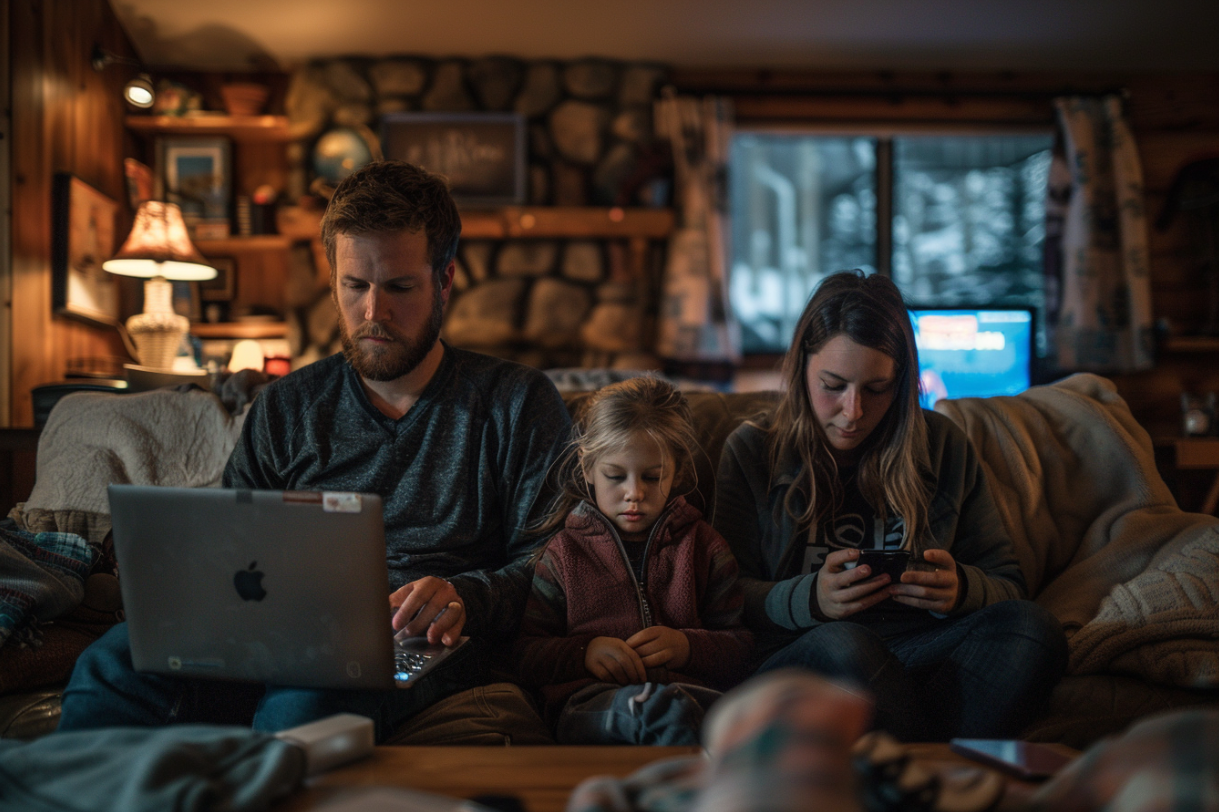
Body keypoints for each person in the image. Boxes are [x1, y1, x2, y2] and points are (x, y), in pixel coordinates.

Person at [58, 161, 573, 743]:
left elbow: (557, 563)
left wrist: (466, 596)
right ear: (333, 280)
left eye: (400, 287)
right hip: (275, 625)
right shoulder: (286, 406)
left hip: (421, 641)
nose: (373, 313)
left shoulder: (516, 403)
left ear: (445, 280)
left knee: (301, 706)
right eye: (355, 286)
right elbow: (229, 546)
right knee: (108, 666)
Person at [712, 270, 1067, 742]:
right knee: (848, 644)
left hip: (921, 646)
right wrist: (812, 598)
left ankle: (914, 752)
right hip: (809, 650)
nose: (853, 411)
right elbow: (725, 596)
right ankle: (935, 764)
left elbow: (1008, 583)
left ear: (901, 384)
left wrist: (961, 590)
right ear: (802, 369)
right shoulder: (753, 450)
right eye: (833, 385)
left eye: (876, 390)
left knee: (1034, 629)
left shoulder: (942, 446)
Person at [514, 376, 753, 744]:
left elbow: (739, 648)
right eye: (615, 475)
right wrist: (584, 652)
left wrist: (687, 647)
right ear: (588, 466)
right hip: (593, 703)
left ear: (677, 471)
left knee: (695, 713)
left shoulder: (705, 547)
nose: (634, 493)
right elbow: (528, 654)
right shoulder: (564, 554)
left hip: (693, 697)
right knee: (661, 712)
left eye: (653, 476)